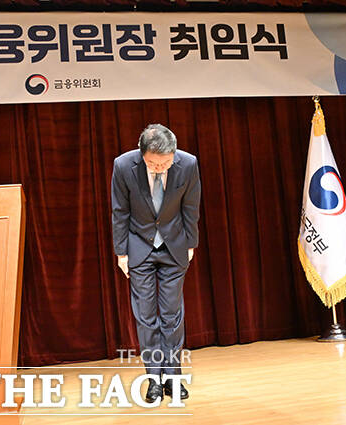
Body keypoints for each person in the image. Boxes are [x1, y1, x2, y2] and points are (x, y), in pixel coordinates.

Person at [111, 123, 201, 403]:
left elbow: (191, 208)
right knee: (146, 317)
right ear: (142, 155)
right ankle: (153, 379)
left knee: (172, 316)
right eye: (153, 163)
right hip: (139, 248)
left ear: (174, 153)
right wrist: (121, 253)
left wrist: (190, 244)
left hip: (174, 247)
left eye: (165, 163)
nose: (160, 168)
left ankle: (173, 378)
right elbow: (119, 211)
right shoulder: (123, 166)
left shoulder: (188, 164)